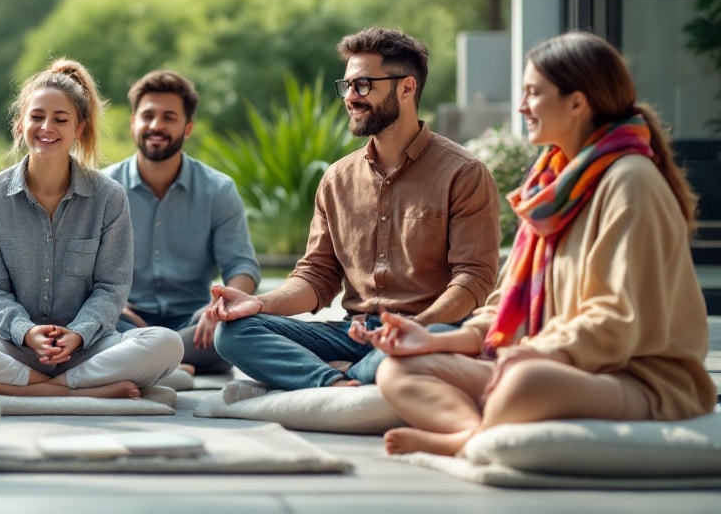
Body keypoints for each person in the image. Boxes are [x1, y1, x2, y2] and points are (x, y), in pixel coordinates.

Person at [367, 31, 716, 456]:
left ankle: (470, 441)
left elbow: (617, 321)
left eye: (533, 93)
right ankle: (472, 431)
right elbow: (500, 314)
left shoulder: (631, 182)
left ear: (576, 102)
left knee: (525, 382)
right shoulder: (550, 187)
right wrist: (431, 339)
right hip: (549, 360)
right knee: (398, 369)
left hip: (637, 378)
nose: (521, 107)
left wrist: (532, 353)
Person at [210, 27, 501, 390]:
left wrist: (418, 329)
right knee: (233, 333)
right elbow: (317, 277)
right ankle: (337, 381)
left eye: (363, 85)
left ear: (407, 88)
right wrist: (258, 303)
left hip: (431, 329)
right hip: (354, 331)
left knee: (400, 353)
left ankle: (337, 374)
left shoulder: (464, 173)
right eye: (346, 86)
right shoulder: (336, 179)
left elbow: (473, 281)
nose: (350, 97)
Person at [0, 59, 183, 397]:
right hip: (12, 346)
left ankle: (31, 389)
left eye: (60, 119)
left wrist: (78, 333)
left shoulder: (108, 197)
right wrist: (26, 332)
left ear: (79, 128)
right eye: (36, 117)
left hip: (86, 347)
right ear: (20, 123)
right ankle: (82, 390)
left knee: (167, 344)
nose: (47, 127)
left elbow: (111, 288)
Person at [103, 70, 260, 374]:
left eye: (169, 117)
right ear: (133, 123)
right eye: (147, 116)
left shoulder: (219, 189)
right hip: (124, 320)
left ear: (187, 128)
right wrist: (113, 309)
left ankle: (145, 365)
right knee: (89, 328)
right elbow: (82, 273)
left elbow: (242, 267)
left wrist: (221, 308)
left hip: (195, 324)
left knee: (236, 331)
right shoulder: (104, 189)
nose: (156, 126)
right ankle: (170, 365)